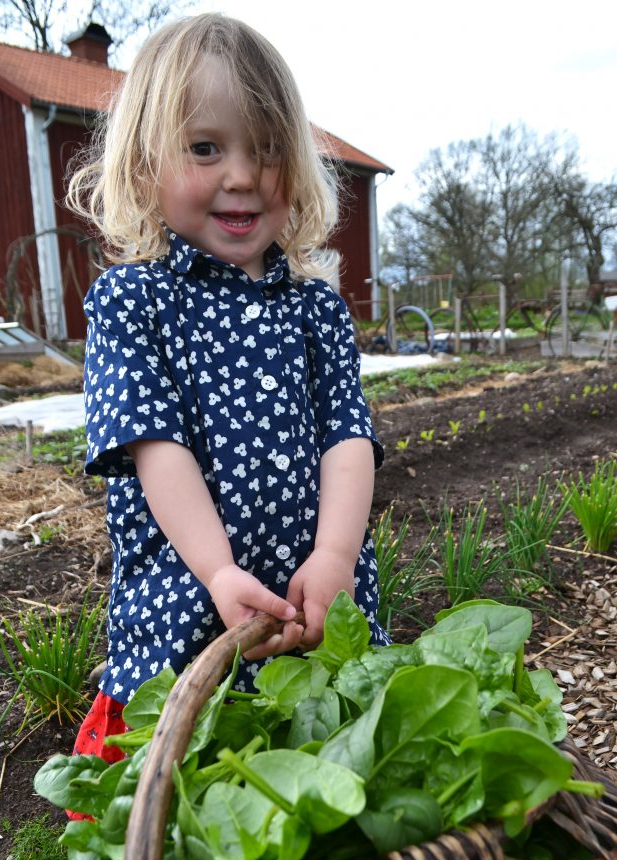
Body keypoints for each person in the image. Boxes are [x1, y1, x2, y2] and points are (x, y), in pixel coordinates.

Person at [67, 13, 388, 765]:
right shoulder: (134, 302)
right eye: (205, 149)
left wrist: (335, 555)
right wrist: (216, 571)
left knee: (326, 755)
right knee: (189, 763)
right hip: (191, 593)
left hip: (313, 590)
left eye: (267, 149)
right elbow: (154, 446)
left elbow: (348, 434)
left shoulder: (313, 308)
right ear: (147, 165)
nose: (241, 175)